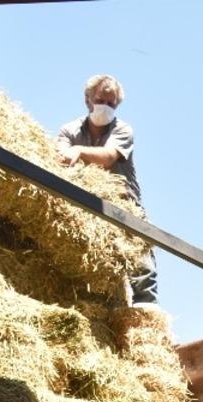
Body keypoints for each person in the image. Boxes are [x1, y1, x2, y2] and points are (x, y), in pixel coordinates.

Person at [56, 74, 157, 305]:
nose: (106, 107)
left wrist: (79, 152)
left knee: (141, 268)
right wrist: (69, 154)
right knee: (98, 270)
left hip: (124, 203)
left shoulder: (123, 129)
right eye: (101, 100)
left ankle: (147, 310)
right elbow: (59, 157)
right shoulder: (69, 131)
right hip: (86, 207)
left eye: (111, 104)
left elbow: (109, 157)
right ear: (88, 100)